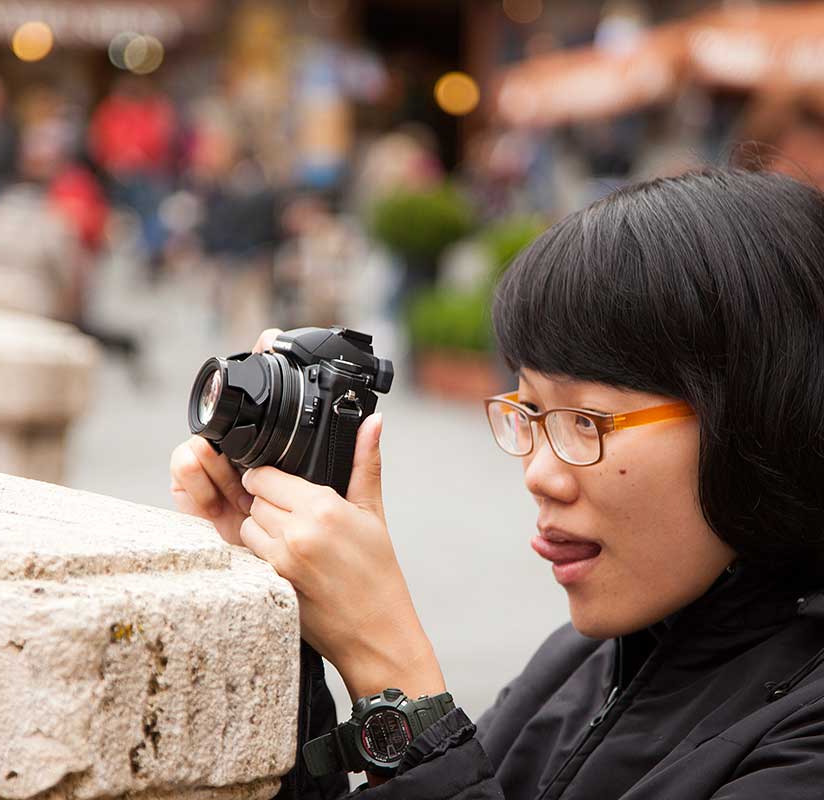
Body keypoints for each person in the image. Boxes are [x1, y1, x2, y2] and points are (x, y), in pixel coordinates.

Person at [168, 168, 824, 798]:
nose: (539, 476)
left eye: (586, 420)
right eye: (528, 412)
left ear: (764, 419)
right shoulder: (587, 661)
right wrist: (276, 616)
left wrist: (396, 682)